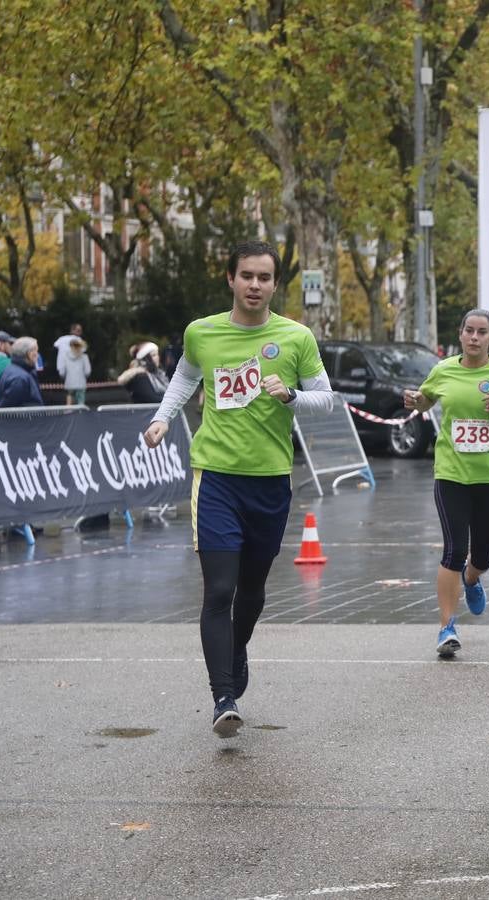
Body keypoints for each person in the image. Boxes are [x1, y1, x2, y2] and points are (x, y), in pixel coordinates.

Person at [143, 240, 335, 738]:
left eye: (264, 277)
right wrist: (163, 419)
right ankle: (222, 696)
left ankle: (237, 648)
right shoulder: (202, 332)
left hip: (270, 480)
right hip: (216, 478)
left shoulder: (295, 338)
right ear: (230, 279)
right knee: (220, 589)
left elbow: (327, 400)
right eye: (246, 275)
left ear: (275, 284)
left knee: (251, 591)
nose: (255, 285)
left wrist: (291, 395)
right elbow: (184, 378)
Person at [403, 309, 489, 658]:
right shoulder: (443, 369)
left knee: (483, 556)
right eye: (469, 331)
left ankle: (472, 578)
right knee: (454, 550)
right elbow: (426, 399)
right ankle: (446, 627)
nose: (475, 337)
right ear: (461, 334)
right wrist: (416, 402)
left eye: (482, 332)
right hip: (451, 473)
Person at [0, 337, 44, 408]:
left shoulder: (13, 370)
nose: (37, 355)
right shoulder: (19, 378)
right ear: (29, 354)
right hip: (26, 418)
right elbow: (7, 410)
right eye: (36, 351)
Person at [60, 337, 91, 406]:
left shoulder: (65, 356)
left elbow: (62, 372)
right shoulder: (84, 357)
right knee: (81, 405)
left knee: (69, 401)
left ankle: (68, 411)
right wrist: (85, 377)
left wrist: (65, 378)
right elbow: (87, 371)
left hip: (69, 383)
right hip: (81, 383)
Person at [0, 329, 15, 405]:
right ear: (1, 344)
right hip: (2, 407)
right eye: (10, 343)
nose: (12, 346)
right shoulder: (11, 363)